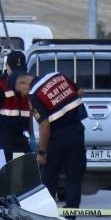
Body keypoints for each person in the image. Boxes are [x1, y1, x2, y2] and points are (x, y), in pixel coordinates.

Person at [25, 69, 89, 208]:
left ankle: (47, 214)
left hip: (56, 138)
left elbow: (44, 125)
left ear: (22, 84)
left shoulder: (34, 95)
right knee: (74, 177)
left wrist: (41, 152)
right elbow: (80, 92)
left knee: (48, 178)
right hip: (77, 132)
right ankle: (71, 216)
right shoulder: (57, 75)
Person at [0, 51, 33, 162]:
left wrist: (31, 135)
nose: (17, 74)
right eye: (14, 71)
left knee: (20, 173)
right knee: (5, 173)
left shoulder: (26, 83)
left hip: (20, 136)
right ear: (7, 67)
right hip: (3, 138)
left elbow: (29, 112)